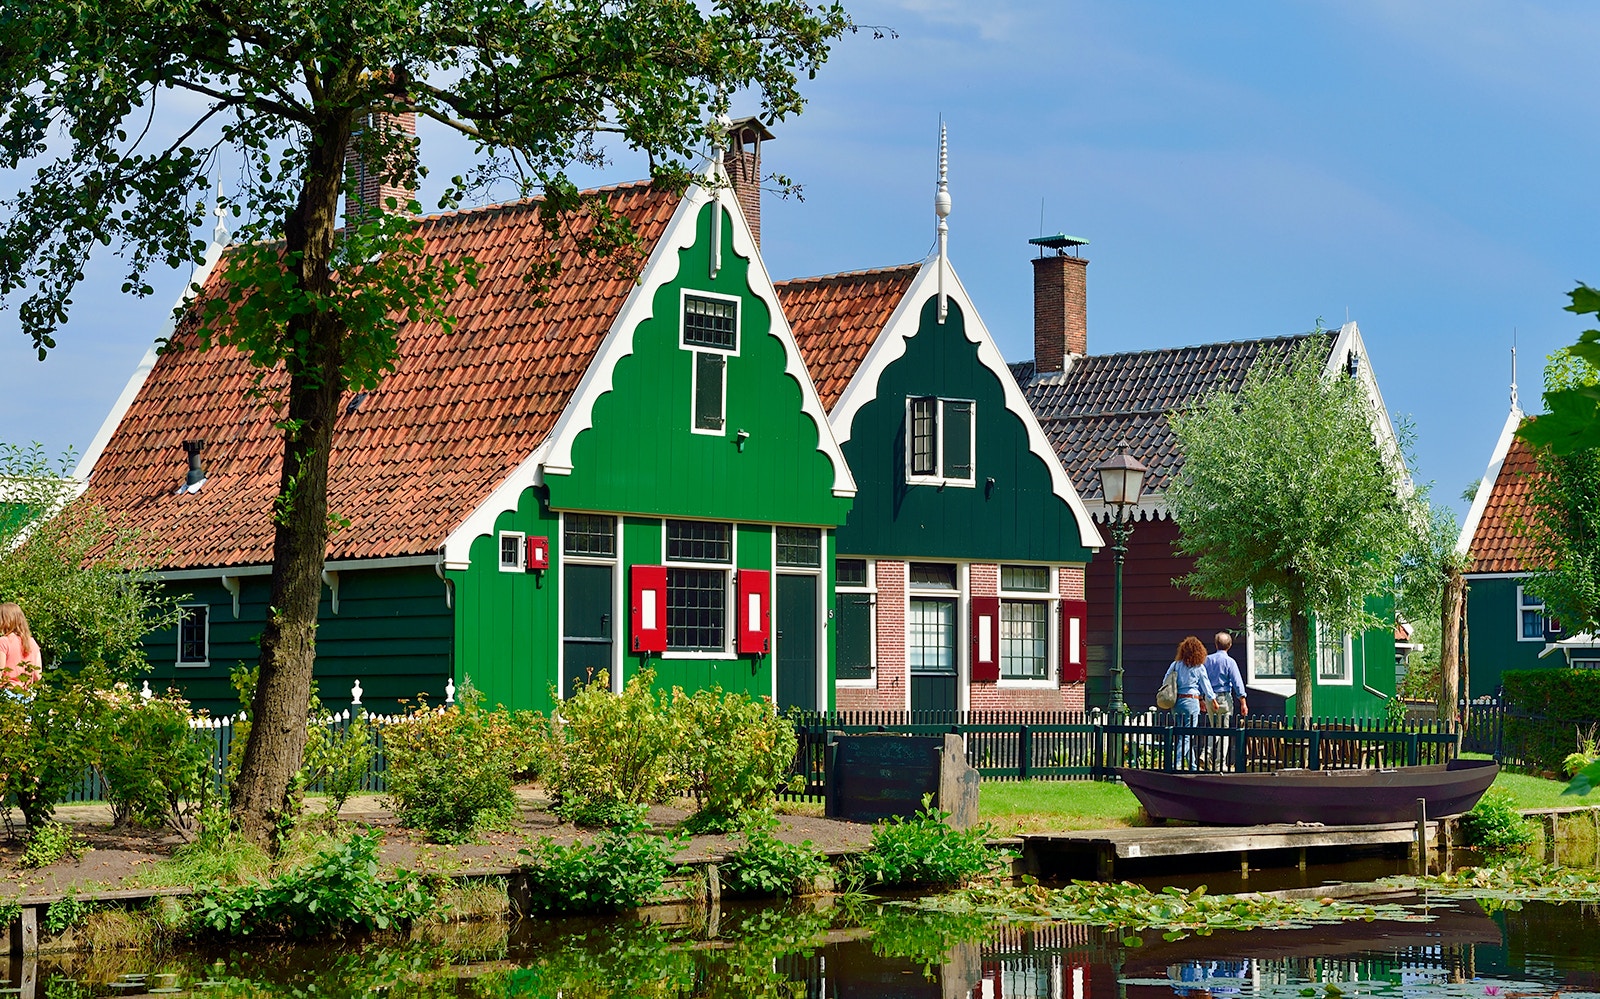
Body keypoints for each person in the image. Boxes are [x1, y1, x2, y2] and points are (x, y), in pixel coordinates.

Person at [1162, 636, 1216, 770]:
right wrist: (1212, 699)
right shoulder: (1199, 667)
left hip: (1177, 702)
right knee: (1187, 735)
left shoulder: (1175, 665)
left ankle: (1192, 765)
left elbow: (1165, 681)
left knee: (1183, 734)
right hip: (1191, 701)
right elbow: (1206, 685)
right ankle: (1177, 763)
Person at [1204, 631, 1249, 768]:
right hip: (1224, 698)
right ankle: (1219, 764)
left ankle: (1206, 753)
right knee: (1225, 731)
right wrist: (1243, 702)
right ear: (1229, 645)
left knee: (1214, 728)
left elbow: (1202, 679)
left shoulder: (1207, 660)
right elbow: (1237, 682)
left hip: (1209, 697)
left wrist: (1201, 698)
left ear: (1216, 644)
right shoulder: (1230, 662)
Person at [0, 601, 42, 692]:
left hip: (7, 693)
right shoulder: (32, 642)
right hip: (27, 694)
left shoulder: (3, 642)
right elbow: (38, 676)